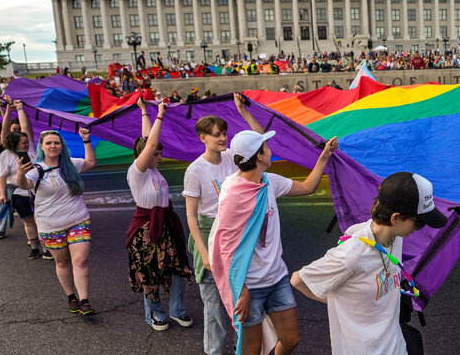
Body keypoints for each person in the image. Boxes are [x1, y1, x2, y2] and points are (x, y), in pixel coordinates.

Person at [208, 129, 338, 355]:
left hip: (277, 277)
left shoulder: (269, 182)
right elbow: (226, 249)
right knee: (251, 350)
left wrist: (324, 156)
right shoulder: (232, 196)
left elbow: (308, 187)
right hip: (251, 286)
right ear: (259, 157)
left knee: (291, 338)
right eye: (266, 147)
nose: (270, 150)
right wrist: (241, 291)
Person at [291, 172, 448, 355]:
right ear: (395, 218)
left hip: (395, 345)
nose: (419, 228)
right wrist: (339, 304)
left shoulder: (394, 237)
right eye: (419, 222)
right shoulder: (351, 255)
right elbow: (298, 280)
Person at [183, 93, 264, 355]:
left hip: (235, 236)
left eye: (224, 133)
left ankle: (244, 347)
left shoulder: (231, 158)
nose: (222, 138)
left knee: (241, 300)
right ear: (202, 138)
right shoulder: (195, 170)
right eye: (216, 134)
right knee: (214, 306)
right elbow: (191, 218)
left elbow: (258, 139)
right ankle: (214, 351)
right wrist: (204, 252)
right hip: (207, 235)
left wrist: (243, 111)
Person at [126, 101, 194, 331]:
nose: (160, 156)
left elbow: (147, 138)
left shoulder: (153, 170)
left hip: (165, 225)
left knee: (178, 269)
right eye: (156, 154)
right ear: (143, 155)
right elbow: (151, 142)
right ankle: (155, 314)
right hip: (146, 229)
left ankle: (176, 309)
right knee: (150, 274)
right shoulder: (137, 172)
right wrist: (160, 115)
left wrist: (144, 111)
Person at [15, 128, 98, 316]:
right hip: (50, 226)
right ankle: (72, 297)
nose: (53, 146)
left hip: (78, 220)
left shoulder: (70, 165)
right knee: (62, 263)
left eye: (57, 142)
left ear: (62, 146)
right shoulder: (36, 170)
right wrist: (20, 173)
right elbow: (24, 185)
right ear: (42, 147)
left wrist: (86, 140)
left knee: (80, 259)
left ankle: (84, 301)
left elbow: (91, 162)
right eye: (49, 143)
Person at [0, 101, 45, 259]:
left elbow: (25, 128)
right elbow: (2, 177)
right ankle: (34, 246)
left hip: (37, 191)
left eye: (26, 141)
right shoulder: (5, 155)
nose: (27, 143)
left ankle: (47, 248)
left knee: (41, 220)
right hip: (18, 193)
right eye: (23, 142)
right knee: (28, 221)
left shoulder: (30, 148)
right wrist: (3, 194)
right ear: (14, 143)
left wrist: (19, 109)